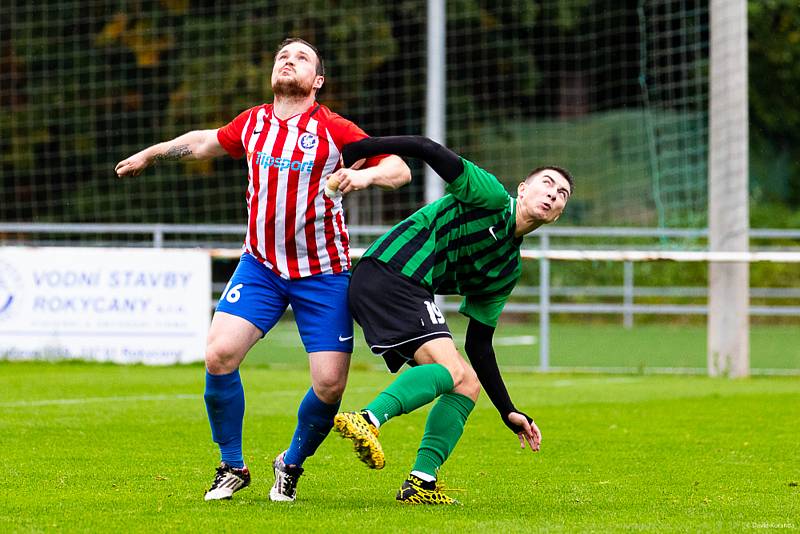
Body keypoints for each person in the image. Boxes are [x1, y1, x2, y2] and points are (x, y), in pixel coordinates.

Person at [115, 38, 411, 502]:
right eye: (282, 56)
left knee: (330, 385)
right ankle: (231, 465)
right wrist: (151, 154)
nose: (288, 61)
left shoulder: (335, 128)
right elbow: (201, 142)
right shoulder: (252, 123)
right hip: (262, 267)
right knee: (218, 355)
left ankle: (290, 464)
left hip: (323, 273)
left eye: (301, 57)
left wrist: (365, 174)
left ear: (317, 81)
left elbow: (399, 167)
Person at [329, 135, 572, 504]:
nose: (554, 194)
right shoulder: (489, 195)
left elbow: (479, 344)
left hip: (405, 289)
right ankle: (368, 418)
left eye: (562, 195)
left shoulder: (507, 269)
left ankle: (420, 482)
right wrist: (362, 149)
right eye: (547, 184)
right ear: (522, 190)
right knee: (451, 369)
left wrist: (508, 410)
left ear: (557, 215)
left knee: (467, 382)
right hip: (391, 271)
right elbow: (427, 148)